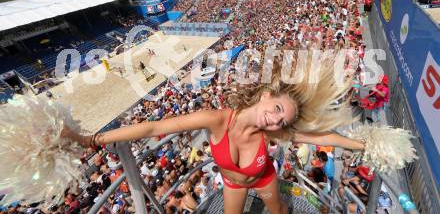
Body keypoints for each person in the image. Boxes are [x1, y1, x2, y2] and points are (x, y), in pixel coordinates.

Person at [62, 58, 367, 214]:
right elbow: (155, 128)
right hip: (233, 182)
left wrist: (366, 144)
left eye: (281, 120)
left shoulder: (275, 131)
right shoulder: (217, 120)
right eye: (276, 109)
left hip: (262, 178)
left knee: (280, 211)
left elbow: (327, 137)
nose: (274, 120)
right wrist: (93, 140)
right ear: (265, 95)